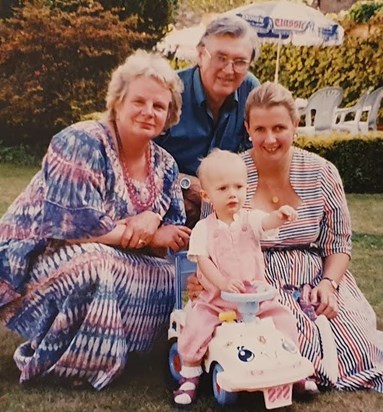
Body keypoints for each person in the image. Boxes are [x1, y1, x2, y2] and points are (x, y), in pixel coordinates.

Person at [0, 50, 192, 390]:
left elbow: (173, 238)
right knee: (97, 267)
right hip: (36, 261)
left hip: (114, 257)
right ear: (118, 103)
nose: (149, 112)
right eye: (139, 101)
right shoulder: (82, 141)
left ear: (170, 116)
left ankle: (144, 351)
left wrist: (152, 221)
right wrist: (148, 234)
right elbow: (71, 228)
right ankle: (75, 363)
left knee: (177, 283)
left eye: (159, 106)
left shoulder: (165, 166)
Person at [188, 82, 383, 393]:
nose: (269, 139)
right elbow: (210, 241)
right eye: (260, 128)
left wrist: (329, 284)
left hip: (316, 273)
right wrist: (207, 281)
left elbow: (338, 243)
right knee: (281, 342)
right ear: (248, 127)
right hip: (255, 278)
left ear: (296, 125)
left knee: (358, 344)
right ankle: (296, 376)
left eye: (279, 127)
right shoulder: (227, 175)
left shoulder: (322, 172)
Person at [173, 149, 318, 406]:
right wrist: (222, 283)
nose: (232, 193)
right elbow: (204, 262)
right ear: (207, 196)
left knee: (283, 318)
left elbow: (266, 223)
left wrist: (279, 217)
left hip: (254, 299)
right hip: (217, 300)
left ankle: (292, 367)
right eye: (223, 188)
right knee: (196, 325)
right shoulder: (203, 230)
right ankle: (190, 374)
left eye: (239, 187)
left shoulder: (250, 219)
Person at [155, 15, 261, 228]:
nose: (229, 70)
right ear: (201, 54)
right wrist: (183, 183)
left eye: (240, 62)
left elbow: (257, 153)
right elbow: (137, 158)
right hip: (163, 206)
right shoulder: (169, 91)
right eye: (220, 58)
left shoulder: (250, 91)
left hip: (223, 209)